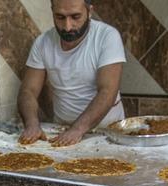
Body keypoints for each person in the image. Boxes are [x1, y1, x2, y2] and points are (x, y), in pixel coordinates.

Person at [18, 0, 126, 147]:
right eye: (60, 17)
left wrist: (77, 129)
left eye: (75, 17)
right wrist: (31, 124)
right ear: (52, 12)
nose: (67, 27)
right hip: (62, 130)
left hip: (107, 133)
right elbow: (28, 91)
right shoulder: (43, 43)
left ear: (90, 11)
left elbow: (107, 91)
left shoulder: (107, 37)